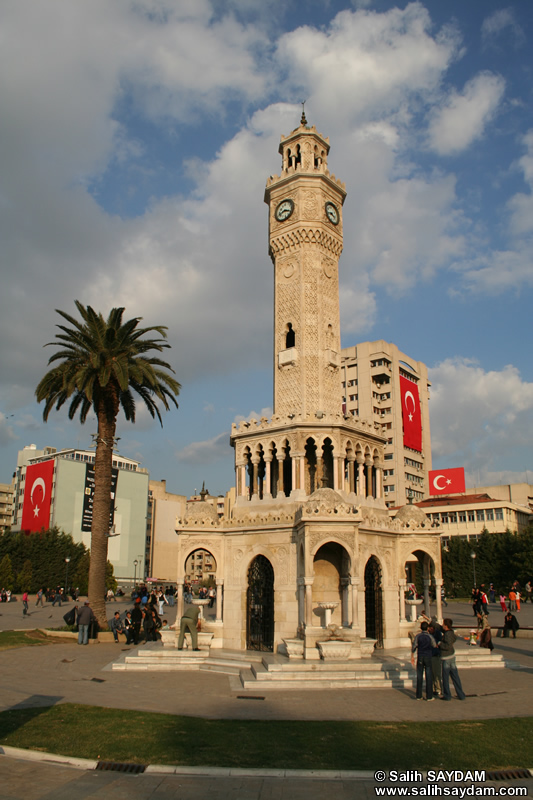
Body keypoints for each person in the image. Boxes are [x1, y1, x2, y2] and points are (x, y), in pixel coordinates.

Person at [439, 618, 466, 701]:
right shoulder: (451, 632)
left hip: (446, 657)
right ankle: (461, 694)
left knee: (445, 678)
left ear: (446, 626)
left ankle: (447, 695)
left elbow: (447, 646)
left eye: (443, 624)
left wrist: (439, 644)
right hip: (452, 657)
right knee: (455, 676)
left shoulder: (447, 635)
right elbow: (442, 629)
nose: (442, 625)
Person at [412, 621, 436, 701]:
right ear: (428, 628)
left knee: (419, 676)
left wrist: (412, 654)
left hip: (420, 656)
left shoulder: (418, 636)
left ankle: (419, 695)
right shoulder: (430, 636)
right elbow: (434, 645)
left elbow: (414, 646)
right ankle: (429, 696)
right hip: (428, 656)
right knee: (428, 676)